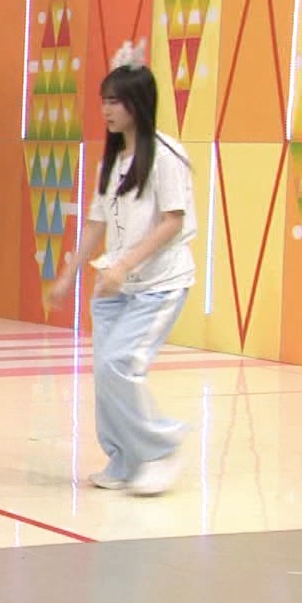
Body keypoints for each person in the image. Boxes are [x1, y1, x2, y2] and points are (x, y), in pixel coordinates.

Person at [47, 39, 194, 497]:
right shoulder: (112, 161)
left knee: (121, 366)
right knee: (106, 375)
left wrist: (124, 265)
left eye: (116, 101)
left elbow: (172, 221)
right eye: (104, 101)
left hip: (158, 285)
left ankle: (160, 450)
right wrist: (69, 275)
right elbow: (96, 222)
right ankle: (125, 458)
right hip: (114, 288)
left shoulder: (166, 155)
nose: (107, 110)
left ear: (138, 104)